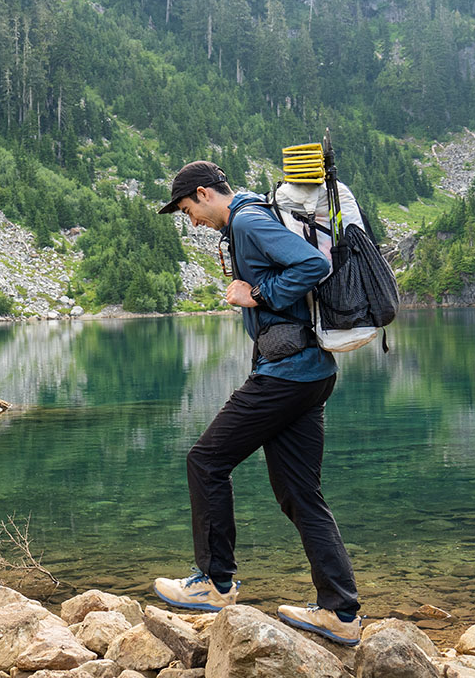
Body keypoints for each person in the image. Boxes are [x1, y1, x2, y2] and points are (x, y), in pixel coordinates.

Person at [151, 160, 362, 645]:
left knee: (206, 461)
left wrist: (258, 295)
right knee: (301, 496)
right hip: (311, 373)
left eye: (188, 210)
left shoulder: (247, 221)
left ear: (204, 194)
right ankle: (341, 612)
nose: (192, 222)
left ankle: (214, 582)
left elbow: (314, 265)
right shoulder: (250, 217)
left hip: (286, 376)